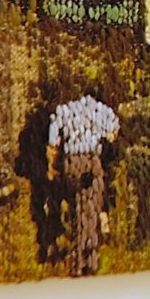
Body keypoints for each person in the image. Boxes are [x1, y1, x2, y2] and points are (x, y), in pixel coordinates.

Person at [49, 84, 120, 277]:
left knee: (77, 208)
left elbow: (53, 142)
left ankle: (77, 259)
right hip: (92, 160)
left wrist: (53, 167)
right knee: (93, 209)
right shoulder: (102, 110)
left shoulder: (64, 110)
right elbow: (113, 134)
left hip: (73, 161)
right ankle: (91, 258)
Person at [14, 82, 64, 264]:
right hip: (49, 170)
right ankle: (50, 242)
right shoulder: (55, 118)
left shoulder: (33, 119)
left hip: (36, 171)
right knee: (52, 206)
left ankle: (45, 242)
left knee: (39, 207)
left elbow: (24, 144)